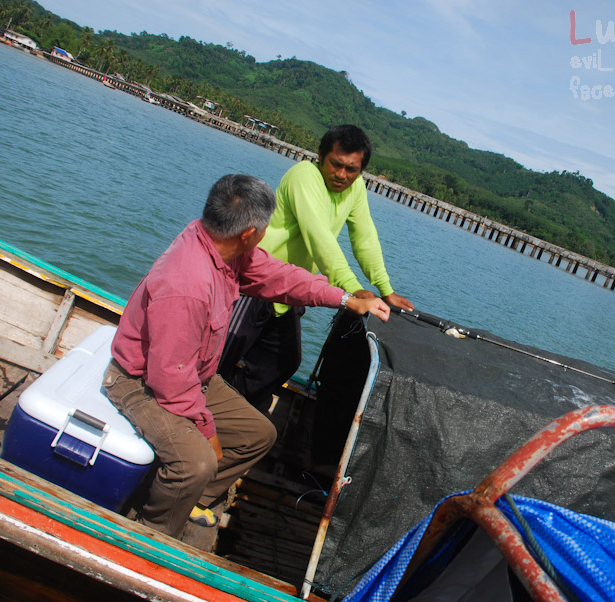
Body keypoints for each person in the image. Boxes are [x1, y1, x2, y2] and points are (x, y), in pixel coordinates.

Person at [102, 174, 389, 537]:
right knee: (197, 462)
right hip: (140, 381)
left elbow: (278, 277)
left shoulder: (222, 247)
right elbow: (170, 381)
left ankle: (189, 498)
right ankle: (149, 532)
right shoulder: (188, 284)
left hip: (194, 377)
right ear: (248, 233)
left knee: (258, 434)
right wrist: (206, 430)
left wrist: (345, 298)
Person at [219, 125, 414, 410]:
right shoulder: (304, 176)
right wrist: (356, 291)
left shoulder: (355, 188)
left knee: (283, 362)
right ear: (321, 156)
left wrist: (386, 289)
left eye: (352, 169)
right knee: (218, 355)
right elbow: (319, 238)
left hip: (289, 289)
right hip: (255, 284)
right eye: (336, 164)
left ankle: (227, 415)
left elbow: (364, 236)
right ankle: (199, 417)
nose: (342, 175)